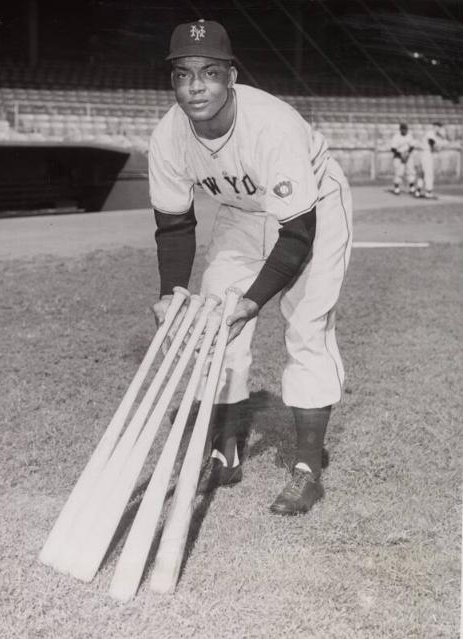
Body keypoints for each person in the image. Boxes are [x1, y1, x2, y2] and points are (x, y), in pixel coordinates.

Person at [150, 19, 353, 516]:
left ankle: (307, 469)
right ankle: (227, 445)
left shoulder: (271, 124)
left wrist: (253, 301)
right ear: (173, 80)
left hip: (314, 207)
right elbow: (175, 226)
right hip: (243, 215)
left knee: (306, 324)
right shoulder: (168, 137)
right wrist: (172, 292)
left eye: (210, 72)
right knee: (215, 324)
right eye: (183, 74)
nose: (196, 86)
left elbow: (297, 233)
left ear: (231, 76)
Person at [414, 122, 446, 199]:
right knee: (429, 174)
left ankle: (418, 192)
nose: (439, 128)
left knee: (421, 175)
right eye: (438, 126)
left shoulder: (432, 133)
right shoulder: (431, 132)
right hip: (426, 153)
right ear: (434, 126)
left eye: (440, 127)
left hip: (422, 153)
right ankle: (429, 192)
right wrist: (437, 148)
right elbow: (432, 142)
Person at [390, 123, 416, 195]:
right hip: (398, 156)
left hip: (407, 155)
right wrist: (400, 155)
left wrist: (407, 153)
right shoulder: (396, 136)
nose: (405, 131)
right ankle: (397, 188)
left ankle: (412, 188)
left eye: (406, 129)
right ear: (400, 129)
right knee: (398, 172)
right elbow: (393, 149)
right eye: (403, 129)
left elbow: (412, 146)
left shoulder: (409, 135)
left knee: (411, 171)